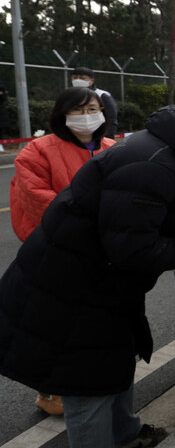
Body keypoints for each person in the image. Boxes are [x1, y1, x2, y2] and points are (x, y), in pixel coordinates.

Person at [0, 105, 175, 448]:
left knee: (114, 361)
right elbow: (133, 249)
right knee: (86, 385)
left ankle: (125, 437)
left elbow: (146, 225)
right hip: (73, 286)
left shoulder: (174, 155)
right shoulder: (154, 167)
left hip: (100, 282)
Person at [9, 88, 117, 416]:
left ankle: (88, 381)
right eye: (79, 110)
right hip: (55, 250)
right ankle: (49, 390)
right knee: (53, 324)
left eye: (94, 109)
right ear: (62, 114)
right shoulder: (36, 152)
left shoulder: (112, 148)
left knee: (92, 323)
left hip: (99, 251)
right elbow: (39, 199)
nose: (87, 117)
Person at [70, 67, 118, 138]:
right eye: (75, 77)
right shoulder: (69, 96)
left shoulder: (102, 95)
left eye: (82, 78)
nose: (77, 80)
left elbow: (111, 119)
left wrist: (107, 138)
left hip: (98, 137)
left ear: (91, 80)